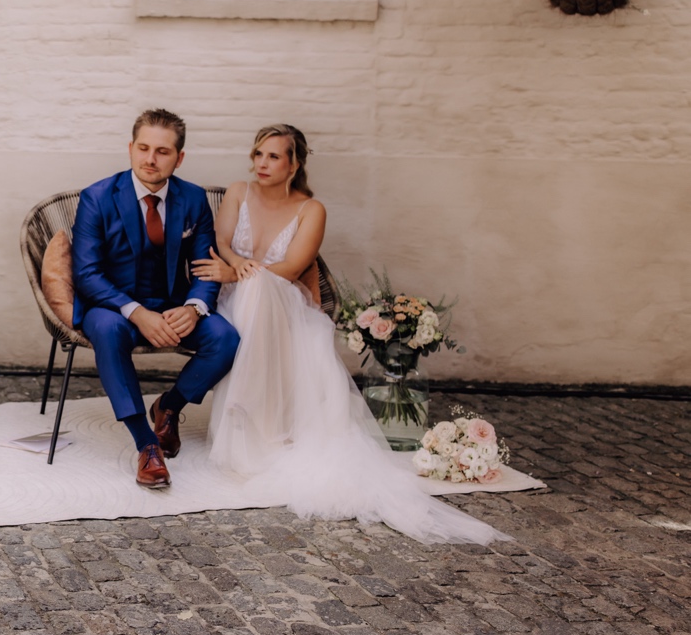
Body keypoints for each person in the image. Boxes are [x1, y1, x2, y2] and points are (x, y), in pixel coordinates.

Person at [190, 125, 505, 544]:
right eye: (259, 155)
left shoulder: (311, 209)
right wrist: (235, 268)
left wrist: (246, 275)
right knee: (254, 293)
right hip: (234, 297)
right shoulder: (236, 192)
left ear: (294, 164)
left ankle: (253, 422)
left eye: (274, 157)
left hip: (283, 302)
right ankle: (249, 420)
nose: (262, 164)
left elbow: (292, 267)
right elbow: (222, 242)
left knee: (262, 290)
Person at [73, 109, 240, 489]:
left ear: (179, 158)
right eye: (143, 148)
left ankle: (170, 406)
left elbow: (205, 266)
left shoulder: (194, 199)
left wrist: (195, 307)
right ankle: (147, 445)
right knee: (109, 331)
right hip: (112, 307)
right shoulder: (97, 198)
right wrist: (136, 313)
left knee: (226, 338)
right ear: (131, 149)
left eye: (162, 152)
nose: (150, 159)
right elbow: (86, 275)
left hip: (172, 305)